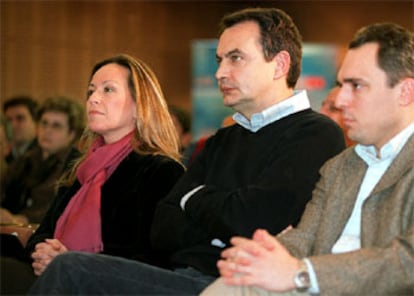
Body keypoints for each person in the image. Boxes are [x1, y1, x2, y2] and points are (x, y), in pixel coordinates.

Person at [28, 8, 345, 295]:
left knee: (70, 269)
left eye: (236, 58)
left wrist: (194, 198)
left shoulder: (315, 133)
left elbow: (257, 220)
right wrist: (221, 213)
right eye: (220, 60)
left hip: (236, 285)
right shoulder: (224, 138)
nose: (220, 73)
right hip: (181, 276)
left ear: (279, 64)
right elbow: (164, 228)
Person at [201, 22, 414, 295]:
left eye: (357, 86)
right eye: (342, 85)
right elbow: (305, 237)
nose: (341, 100)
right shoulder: (340, 166)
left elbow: (407, 262)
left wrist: (303, 273)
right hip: (311, 285)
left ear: (406, 92)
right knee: (238, 283)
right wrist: (266, 255)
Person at [1, 54, 185, 295]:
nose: (93, 99)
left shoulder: (161, 170)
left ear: (140, 105)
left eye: (108, 90)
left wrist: (73, 261)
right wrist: (44, 253)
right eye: (91, 91)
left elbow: (153, 257)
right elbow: (45, 230)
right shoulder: (82, 168)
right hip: (57, 276)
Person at [1, 96, 85, 224]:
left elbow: (55, 208)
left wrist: (19, 219)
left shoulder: (75, 167)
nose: (47, 130)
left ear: (72, 134)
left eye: (56, 126)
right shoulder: (24, 160)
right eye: (44, 123)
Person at [2, 95, 38, 165]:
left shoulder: (45, 154)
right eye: (9, 120)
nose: (13, 125)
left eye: (20, 118)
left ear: (36, 122)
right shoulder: (4, 155)